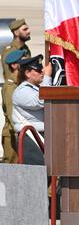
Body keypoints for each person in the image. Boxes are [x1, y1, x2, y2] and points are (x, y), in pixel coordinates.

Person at [12, 55, 52, 165]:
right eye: (38, 70)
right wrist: (48, 77)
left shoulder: (35, 89)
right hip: (30, 137)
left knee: (45, 175)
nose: (42, 72)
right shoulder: (21, 91)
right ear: (27, 73)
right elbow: (41, 101)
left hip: (40, 135)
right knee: (36, 174)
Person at [1, 19, 31, 162]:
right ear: (15, 32)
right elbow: (12, 79)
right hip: (13, 129)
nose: (28, 31)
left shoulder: (25, 50)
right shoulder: (10, 52)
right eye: (25, 29)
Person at [1, 49, 26, 163]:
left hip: (18, 133)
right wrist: (18, 131)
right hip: (12, 134)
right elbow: (11, 112)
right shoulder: (11, 86)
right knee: (11, 169)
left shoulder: (19, 83)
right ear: (15, 65)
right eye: (23, 60)